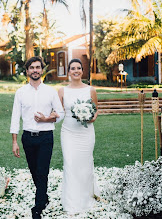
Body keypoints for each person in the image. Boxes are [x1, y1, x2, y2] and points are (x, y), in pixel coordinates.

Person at [10, 56, 64, 219]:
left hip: (46, 137)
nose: (35, 70)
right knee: (34, 171)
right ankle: (44, 197)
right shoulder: (20, 93)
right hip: (28, 138)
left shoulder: (50, 92)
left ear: (42, 70)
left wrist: (46, 119)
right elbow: (15, 117)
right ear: (27, 71)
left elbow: (60, 113)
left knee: (42, 171)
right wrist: (14, 142)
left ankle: (38, 207)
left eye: (38, 67)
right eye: (32, 67)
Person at [58, 59, 100, 214]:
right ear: (68, 71)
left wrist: (92, 117)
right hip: (68, 133)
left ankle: (86, 196)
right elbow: (59, 111)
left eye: (78, 68)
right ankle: (71, 202)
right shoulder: (62, 91)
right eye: (72, 68)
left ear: (82, 71)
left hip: (86, 133)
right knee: (70, 163)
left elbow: (95, 110)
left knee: (84, 164)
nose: (76, 71)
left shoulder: (91, 90)